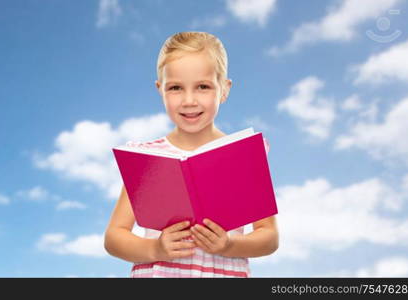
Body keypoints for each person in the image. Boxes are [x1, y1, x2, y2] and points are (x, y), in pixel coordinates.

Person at [104, 31, 279, 278]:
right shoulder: (148, 158)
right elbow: (114, 237)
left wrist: (230, 245)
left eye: (203, 87)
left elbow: (269, 237)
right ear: (160, 90)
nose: (189, 100)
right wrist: (154, 248)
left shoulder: (244, 154)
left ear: (224, 89)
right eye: (175, 88)